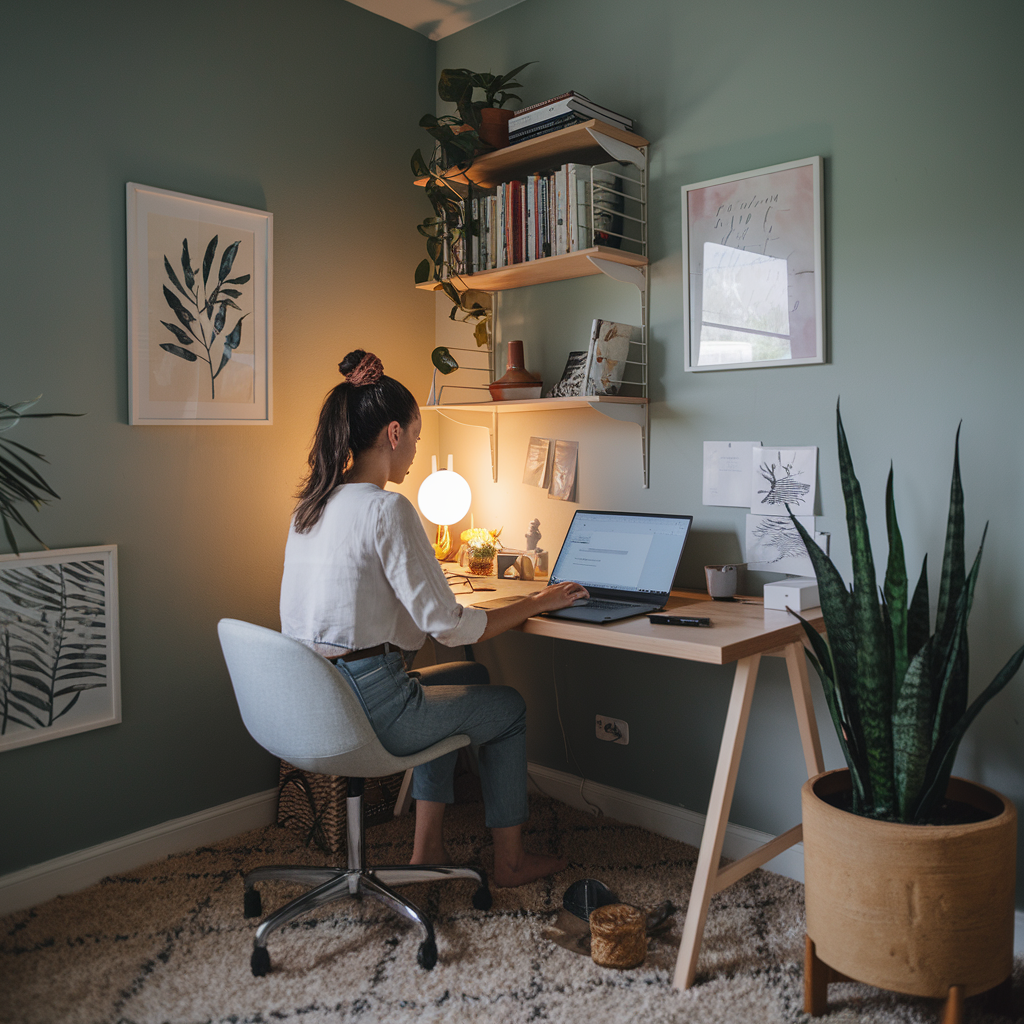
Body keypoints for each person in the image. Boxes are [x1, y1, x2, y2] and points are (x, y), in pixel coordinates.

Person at [279, 350, 589, 887]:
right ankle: (511, 863)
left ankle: (427, 850)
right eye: (418, 439)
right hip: (369, 705)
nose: (417, 454)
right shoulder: (387, 509)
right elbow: (450, 627)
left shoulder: (311, 506)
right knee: (508, 706)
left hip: (309, 699)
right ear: (394, 434)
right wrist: (538, 601)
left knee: (470, 679)